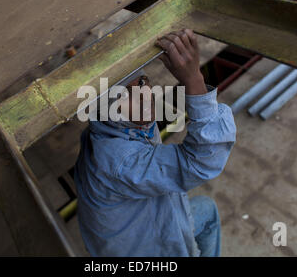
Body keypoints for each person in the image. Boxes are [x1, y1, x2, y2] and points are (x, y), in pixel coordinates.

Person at [74, 29, 236, 256]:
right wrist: (193, 79)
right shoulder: (119, 160)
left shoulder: (117, 126)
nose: (143, 95)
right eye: (123, 95)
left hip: (146, 228)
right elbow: (201, 162)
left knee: (206, 209)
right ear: (104, 111)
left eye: (142, 81)